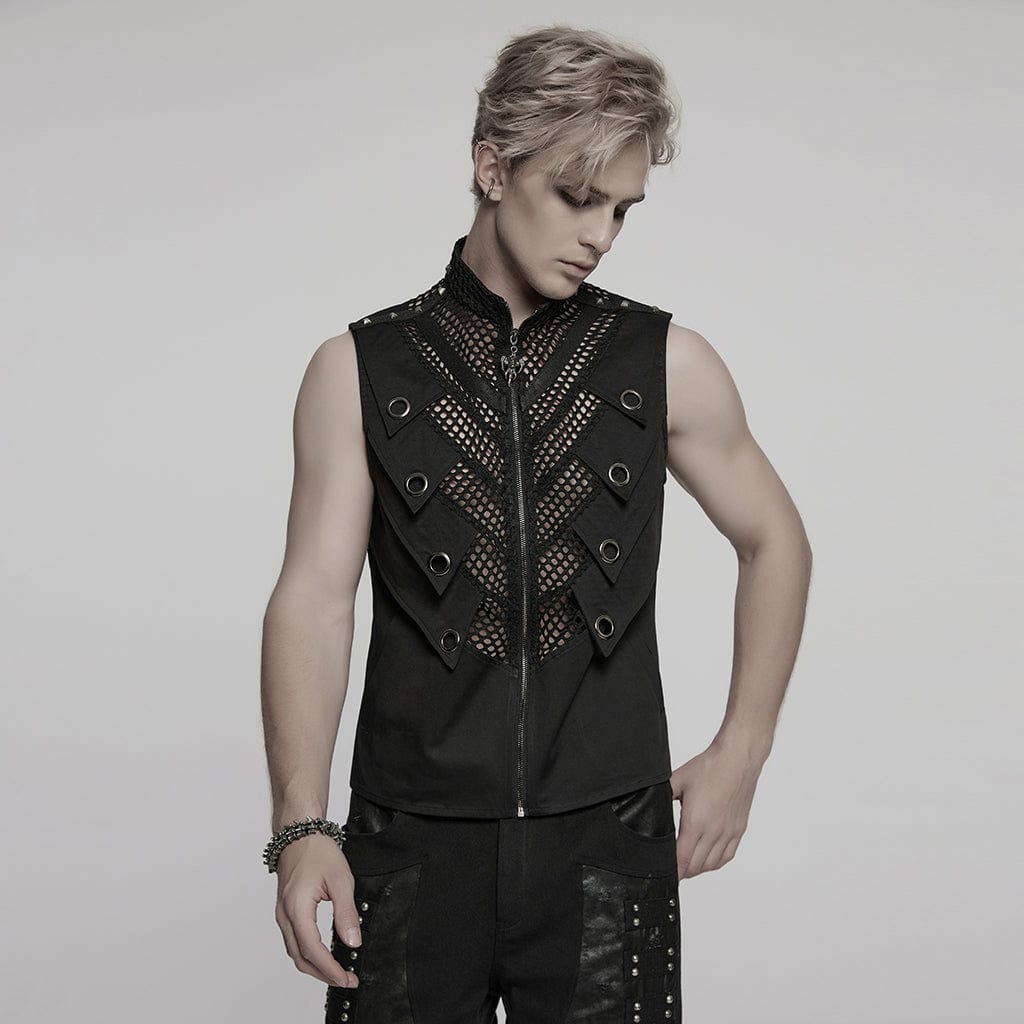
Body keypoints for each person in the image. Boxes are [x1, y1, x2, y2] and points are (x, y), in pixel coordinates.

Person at [260, 23, 812, 1024]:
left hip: (605, 844)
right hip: (410, 843)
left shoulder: (666, 363)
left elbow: (775, 540)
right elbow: (314, 598)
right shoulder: (356, 370)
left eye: (621, 209)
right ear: (491, 167)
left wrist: (744, 748)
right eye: (576, 196)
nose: (600, 234)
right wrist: (300, 828)